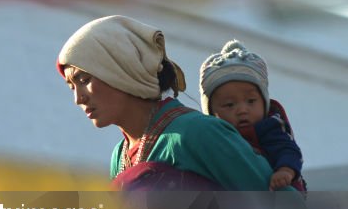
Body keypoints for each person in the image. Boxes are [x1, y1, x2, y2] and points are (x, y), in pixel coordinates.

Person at [57, 15, 281, 191]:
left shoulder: (197, 132)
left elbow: (281, 208)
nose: (79, 98)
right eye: (71, 87)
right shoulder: (120, 155)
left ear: (121, 69)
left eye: (84, 80)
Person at [199, 40, 306, 191]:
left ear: (264, 102)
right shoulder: (209, 137)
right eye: (229, 105)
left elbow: (288, 150)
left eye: (251, 101)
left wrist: (285, 171)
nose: (242, 110)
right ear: (210, 112)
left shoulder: (270, 127)